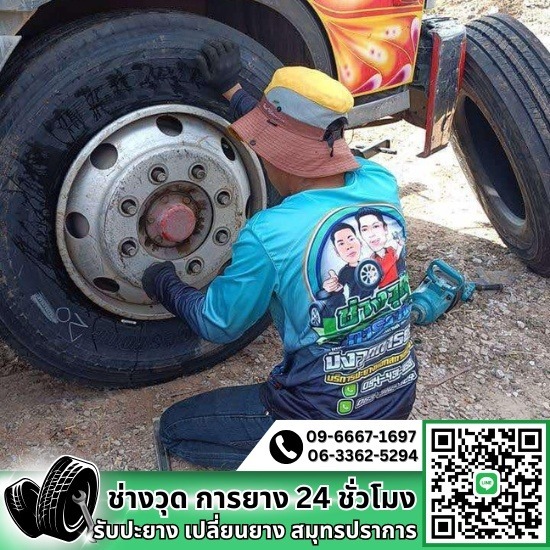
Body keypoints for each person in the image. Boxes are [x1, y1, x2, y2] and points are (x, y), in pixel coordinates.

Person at [142, 39, 418, 470]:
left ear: (281, 156)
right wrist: (234, 92)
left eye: (263, 147)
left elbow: (217, 323)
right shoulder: (380, 181)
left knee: (174, 426)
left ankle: (312, 472)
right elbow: (313, 140)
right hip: (396, 400)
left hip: (317, 422)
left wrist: (162, 282)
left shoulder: (269, 234)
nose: (261, 155)